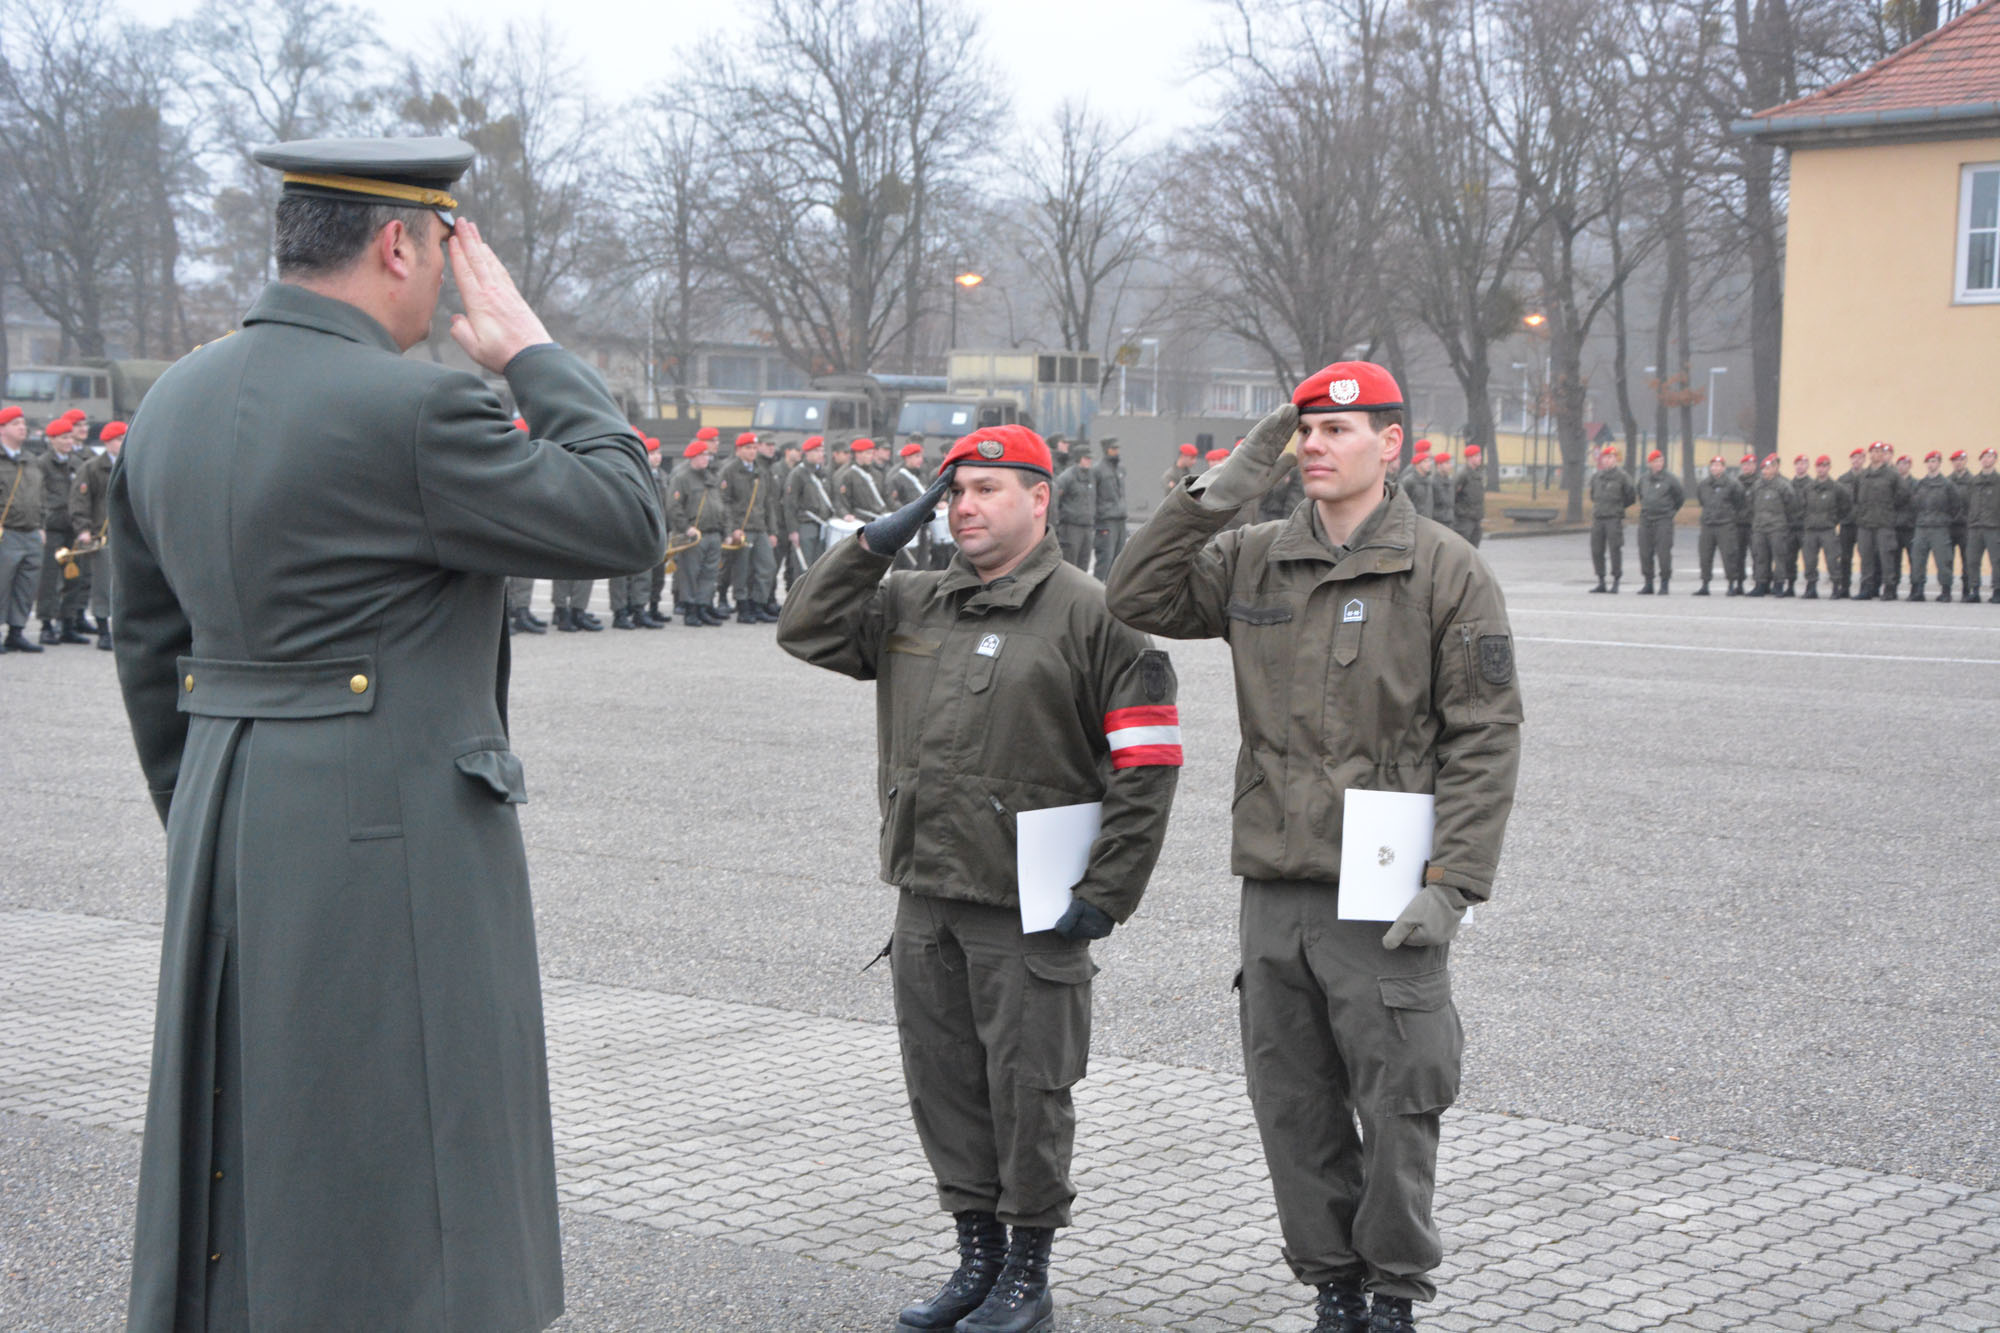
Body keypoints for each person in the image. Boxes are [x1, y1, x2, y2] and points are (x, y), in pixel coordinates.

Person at [109, 137, 665, 1332]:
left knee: (243, 1132)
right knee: (418, 1154)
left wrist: (213, 808)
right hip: (394, 824)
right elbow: (625, 516)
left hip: (226, 807)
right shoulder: (419, 404)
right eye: (444, 253)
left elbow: (150, 654)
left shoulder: (172, 401)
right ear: (400, 242)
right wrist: (534, 355)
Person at [1104, 363, 1520, 1333]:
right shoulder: (1253, 555)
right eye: (1305, 432)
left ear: (1392, 443)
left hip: (1388, 886)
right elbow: (1136, 591)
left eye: (1341, 428)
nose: (1318, 446)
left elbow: (1483, 736)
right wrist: (1221, 489)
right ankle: (1331, 1283)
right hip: (1276, 884)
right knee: (1292, 1103)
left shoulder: (1442, 568)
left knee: (1399, 1096)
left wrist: (1453, 881)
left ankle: (1390, 1292)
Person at [778, 423, 1179, 1333]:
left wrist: (1107, 891)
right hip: (927, 896)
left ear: (1041, 499)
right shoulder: (914, 602)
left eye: (988, 489)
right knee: (946, 1084)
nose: (965, 507)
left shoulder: (1096, 613)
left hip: (1029, 906)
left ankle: (1027, 1276)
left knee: (1028, 1089)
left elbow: (1147, 763)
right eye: (954, 492)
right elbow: (804, 627)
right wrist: (878, 540)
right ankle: (977, 1261)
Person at [67, 420, 125, 649]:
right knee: (102, 585)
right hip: (100, 534)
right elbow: (79, 501)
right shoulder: (91, 467)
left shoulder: (131, 465)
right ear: (108, 442)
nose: (122, 444)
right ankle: (103, 630)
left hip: (125, 534)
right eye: (119, 439)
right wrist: (83, 529)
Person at [607, 437, 670, 628]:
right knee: (620, 575)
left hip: (645, 528)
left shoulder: (660, 476)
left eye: (658, 453)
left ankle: (639, 609)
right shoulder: (620, 471)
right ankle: (620, 612)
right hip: (622, 529)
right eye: (652, 453)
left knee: (644, 573)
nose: (657, 457)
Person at [0, 404, 47, 654]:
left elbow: (40, 495)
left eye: (23, 423)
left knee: (26, 585)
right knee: (1, 583)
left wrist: (41, 525)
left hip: (31, 532)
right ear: (2, 428)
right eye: (16, 423)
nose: (22, 427)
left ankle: (16, 632)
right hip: (6, 532)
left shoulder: (31, 460)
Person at [720, 431, 779, 622]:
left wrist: (772, 530)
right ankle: (743, 606)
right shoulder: (729, 470)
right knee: (742, 570)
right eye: (748, 448)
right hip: (742, 528)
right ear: (738, 450)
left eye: (754, 448)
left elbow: (768, 502)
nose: (752, 452)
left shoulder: (761, 470)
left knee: (767, 566)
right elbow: (724, 502)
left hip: (760, 526)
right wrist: (732, 529)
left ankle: (758, 603)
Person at [668, 436, 726, 625]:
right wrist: (685, 528)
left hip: (713, 532)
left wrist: (724, 529)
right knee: (690, 573)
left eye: (707, 455)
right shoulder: (682, 478)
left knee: (710, 573)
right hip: (694, 534)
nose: (706, 459)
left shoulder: (711, 478)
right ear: (693, 457)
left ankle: (703, 607)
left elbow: (720, 504)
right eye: (703, 455)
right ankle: (690, 609)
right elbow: (674, 507)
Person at [1853, 441, 1907, 600]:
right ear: (1869, 454)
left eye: (1879, 452)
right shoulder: (1863, 475)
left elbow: (1903, 495)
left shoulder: (1892, 475)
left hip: (1884, 523)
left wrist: (1889, 509)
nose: (1876, 454)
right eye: (1874, 451)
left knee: (1886, 557)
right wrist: (1860, 514)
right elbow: (1856, 497)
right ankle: (1867, 588)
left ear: (1884, 455)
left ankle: (1889, 589)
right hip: (1865, 523)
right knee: (1866, 557)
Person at [1797, 455, 1853, 600]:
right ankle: (1811, 587)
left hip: (1827, 529)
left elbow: (1846, 505)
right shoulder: (1808, 488)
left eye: (1824, 466)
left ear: (1829, 468)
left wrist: (1834, 519)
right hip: (1811, 529)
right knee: (1809, 560)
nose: (1821, 469)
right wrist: (1807, 519)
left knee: (1832, 559)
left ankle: (1836, 587)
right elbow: (1801, 506)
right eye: (1819, 466)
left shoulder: (1836, 488)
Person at [1908, 450, 1962, 601]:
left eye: (1934, 461)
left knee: (1943, 560)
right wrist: (1918, 520)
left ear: (1939, 464)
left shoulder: (1947, 485)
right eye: (1929, 461)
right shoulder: (1920, 484)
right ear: (1926, 464)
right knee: (1918, 559)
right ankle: (1918, 590)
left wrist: (1945, 520)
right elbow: (1913, 506)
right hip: (1921, 527)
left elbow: (1956, 506)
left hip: (1939, 528)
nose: (1931, 464)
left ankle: (1946, 591)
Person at [1746, 454, 1801, 597]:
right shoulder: (1757, 486)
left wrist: (1782, 522)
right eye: (1763, 468)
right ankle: (1760, 584)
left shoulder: (1783, 486)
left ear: (1775, 468)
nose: (1765, 471)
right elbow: (1750, 504)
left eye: (1768, 468)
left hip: (1777, 528)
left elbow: (1792, 506)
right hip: (1759, 528)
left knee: (1780, 557)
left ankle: (1779, 585)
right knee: (1760, 557)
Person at [1634, 449, 1684, 595]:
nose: (1658, 464)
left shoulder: (1670, 479)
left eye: (1660, 461)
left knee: (1663, 552)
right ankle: (1648, 582)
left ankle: (1664, 583)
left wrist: (1670, 512)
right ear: (1649, 463)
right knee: (1645, 552)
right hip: (1646, 519)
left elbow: (1679, 497)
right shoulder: (1644, 479)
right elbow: (1640, 495)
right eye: (1655, 461)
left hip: (1664, 520)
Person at [1587, 446, 1637, 593]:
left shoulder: (1623, 477)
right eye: (1606, 457)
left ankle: (1616, 580)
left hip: (1613, 518)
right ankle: (1601, 580)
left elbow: (1630, 497)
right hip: (1598, 518)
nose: (1608, 460)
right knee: (1597, 550)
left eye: (1611, 457)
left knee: (1615, 549)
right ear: (1602, 460)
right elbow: (1592, 495)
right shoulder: (1597, 477)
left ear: (1616, 459)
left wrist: (1618, 507)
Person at [1693, 455, 1744, 596]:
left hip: (1725, 525)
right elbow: (1702, 501)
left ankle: (1731, 584)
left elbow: (1739, 502)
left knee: (1729, 555)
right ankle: (1705, 584)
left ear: (1723, 467)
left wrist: (1728, 515)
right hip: (1708, 524)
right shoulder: (1703, 485)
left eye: (1718, 465)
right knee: (1705, 555)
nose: (1715, 468)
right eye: (1713, 465)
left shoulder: (1732, 484)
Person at [785, 434, 837, 569]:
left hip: (823, 525)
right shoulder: (798, 474)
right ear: (807, 453)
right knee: (804, 568)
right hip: (805, 525)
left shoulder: (824, 473)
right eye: (816, 451)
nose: (821, 454)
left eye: (821, 450)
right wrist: (793, 531)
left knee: (820, 568)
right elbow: (790, 504)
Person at [1965, 447, 2000, 603]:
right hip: (1975, 527)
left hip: (1994, 527)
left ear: (1995, 460)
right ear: (1981, 460)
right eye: (1984, 457)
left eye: (1990, 457)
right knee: (1972, 560)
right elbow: (1967, 503)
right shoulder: (1974, 482)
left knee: (1997, 560)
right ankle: (1975, 590)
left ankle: (1997, 590)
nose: (1987, 459)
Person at [1053, 443, 1096, 567]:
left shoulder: (1091, 476)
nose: (1089, 461)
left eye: (1090, 459)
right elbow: (1056, 500)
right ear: (1078, 459)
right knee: (1070, 563)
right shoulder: (1066, 477)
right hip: (1071, 528)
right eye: (1086, 458)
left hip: (1087, 526)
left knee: (1084, 562)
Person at [1092, 438, 1128, 579]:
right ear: (1106, 449)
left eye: (1117, 448)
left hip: (1120, 519)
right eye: (1113, 448)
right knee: (1105, 559)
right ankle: (1098, 591)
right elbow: (1093, 496)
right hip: (1105, 520)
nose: (1116, 451)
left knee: (1119, 559)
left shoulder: (1120, 468)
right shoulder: (1097, 470)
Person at [1834, 447, 1866, 599]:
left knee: (1865, 556)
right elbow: (1836, 501)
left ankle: (1865, 588)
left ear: (1864, 460)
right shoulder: (1843, 479)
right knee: (1845, 557)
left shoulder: (1868, 477)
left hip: (1863, 523)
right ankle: (1844, 587)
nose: (1856, 461)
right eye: (1854, 458)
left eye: (1859, 458)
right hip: (1846, 523)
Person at [1948, 450, 1974, 599]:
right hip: (1950, 526)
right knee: (1947, 559)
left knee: (1967, 559)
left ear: (1965, 461)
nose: (1958, 463)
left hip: (1966, 526)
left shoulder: (1972, 481)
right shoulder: (1947, 481)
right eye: (1955, 460)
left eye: (1960, 460)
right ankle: (1947, 590)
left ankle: (1967, 590)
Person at [1452, 445, 1486, 547]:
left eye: (1480, 455)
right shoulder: (1462, 474)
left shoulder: (1477, 473)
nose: (1480, 458)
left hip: (1476, 517)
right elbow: (1452, 494)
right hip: (1464, 519)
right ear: (1469, 458)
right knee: (1463, 547)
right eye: (1477, 455)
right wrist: (1460, 511)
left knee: (1474, 547)